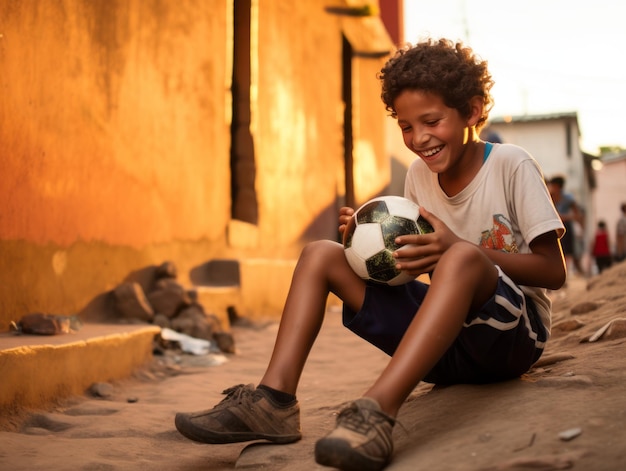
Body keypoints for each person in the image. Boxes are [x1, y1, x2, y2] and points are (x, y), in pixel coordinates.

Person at [174, 38, 566, 471]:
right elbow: (412, 270)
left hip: (511, 339)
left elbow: (553, 271)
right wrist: (365, 244)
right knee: (322, 253)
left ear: (472, 112)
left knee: (462, 259)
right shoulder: (419, 176)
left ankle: (376, 412)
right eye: (406, 127)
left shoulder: (511, 164)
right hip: (443, 347)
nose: (419, 139)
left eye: (431, 121)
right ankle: (274, 399)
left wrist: (459, 248)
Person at [547, 175, 585, 275]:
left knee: (568, 251)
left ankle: (566, 273)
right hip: (553, 227)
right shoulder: (549, 196)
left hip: (566, 227)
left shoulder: (568, 198)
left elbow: (577, 214)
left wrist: (567, 218)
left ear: (557, 186)